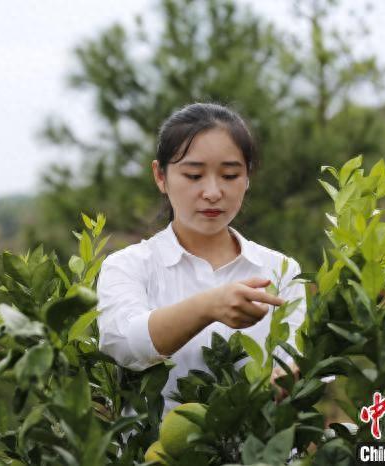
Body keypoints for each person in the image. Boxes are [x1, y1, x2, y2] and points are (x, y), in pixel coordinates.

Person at [96, 102, 306, 416]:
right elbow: (125, 344)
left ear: (247, 177)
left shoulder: (280, 270)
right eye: (194, 175)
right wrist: (209, 306)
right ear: (160, 176)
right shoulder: (129, 266)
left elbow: (297, 362)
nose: (212, 192)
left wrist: (290, 377)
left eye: (230, 175)